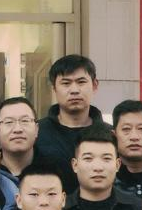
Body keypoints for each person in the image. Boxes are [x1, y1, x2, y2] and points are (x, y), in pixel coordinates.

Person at [33, 54, 105, 190]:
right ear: (54, 89)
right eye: (66, 83)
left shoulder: (109, 134)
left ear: (95, 85)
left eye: (81, 82)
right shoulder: (37, 133)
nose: (74, 90)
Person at [0, 96, 41, 181]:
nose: (17, 129)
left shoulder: (54, 168)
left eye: (25, 121)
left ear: (36, 129)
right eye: (9, 122)